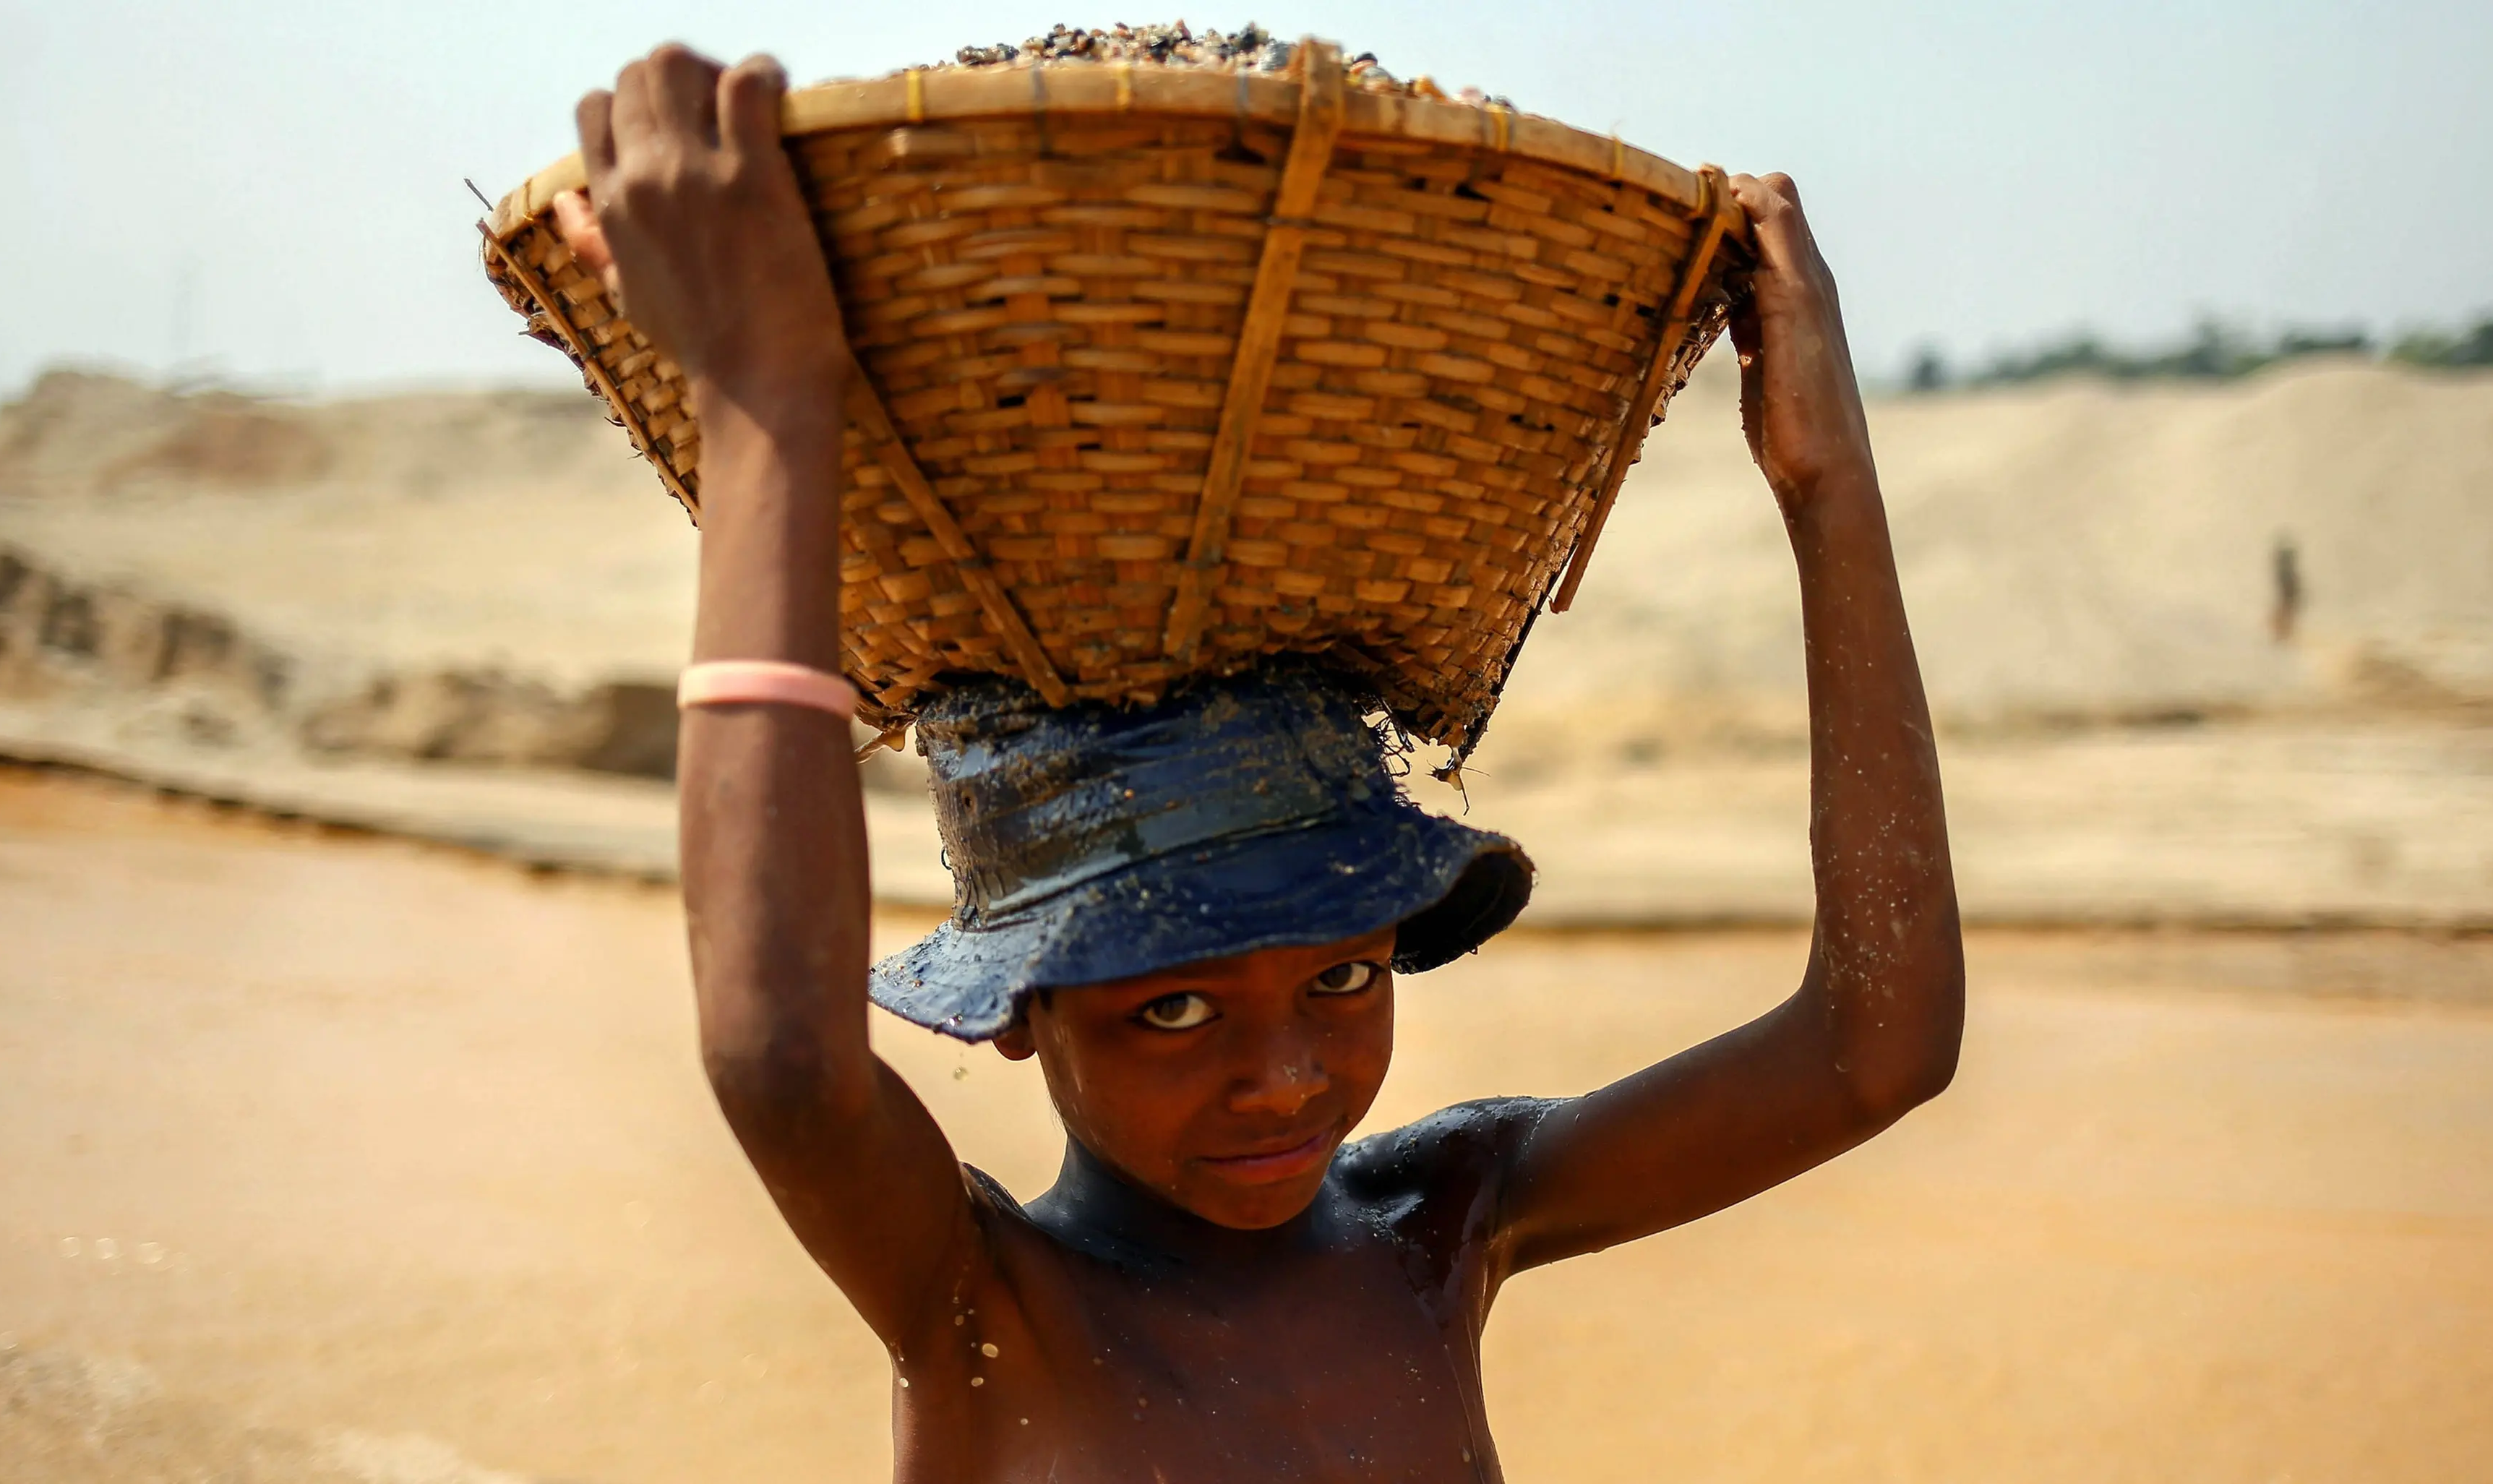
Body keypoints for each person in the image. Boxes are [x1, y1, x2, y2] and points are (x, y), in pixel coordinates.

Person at [554, 43, 1965, 1482]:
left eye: (1344, 977)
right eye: (1172, 1009)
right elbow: (781, 1061)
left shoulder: (1439, 1227)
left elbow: (1874, 1052)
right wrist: (770, 407)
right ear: (1017, 1010)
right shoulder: (988, 1303)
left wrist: (1826, 484)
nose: (1285, 1078)